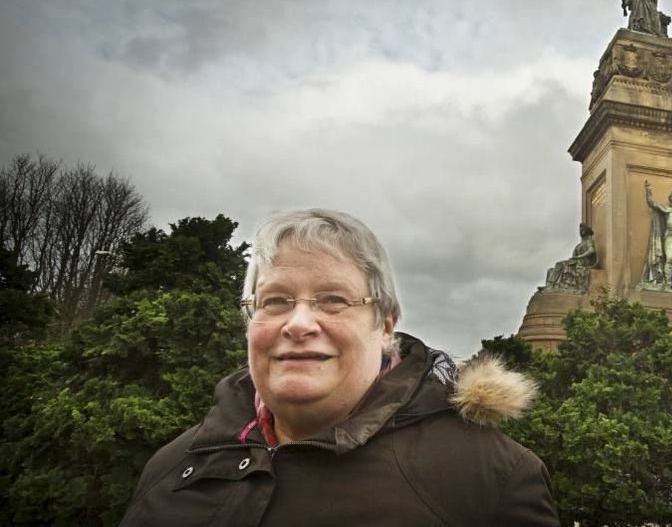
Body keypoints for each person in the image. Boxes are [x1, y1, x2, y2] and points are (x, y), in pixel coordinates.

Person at [121, 209, 559, 526]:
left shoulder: (489, 480)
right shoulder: (173, 463)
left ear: (385, 325)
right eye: (275, 301)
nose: (299, 323)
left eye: (334, 299)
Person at [544, 223, 598, 292]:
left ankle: (550, 286)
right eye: (580, 231)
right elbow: (574, 256)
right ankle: (549, 285)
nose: (581, 232)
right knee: (550, 270)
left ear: (587, 232)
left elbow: (592, 250)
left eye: (583, 230)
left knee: (559, 264)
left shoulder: (589, 241)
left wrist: (579, 256)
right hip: (577, 262)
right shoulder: (579, 245)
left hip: (584, 262)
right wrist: (573, 259)